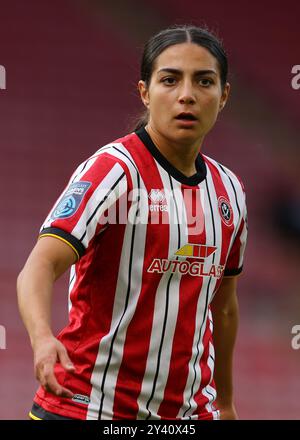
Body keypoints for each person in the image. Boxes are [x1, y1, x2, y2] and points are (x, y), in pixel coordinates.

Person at [17, 25, 248, 421]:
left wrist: (224, 402)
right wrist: (41, 339)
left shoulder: (230, 190)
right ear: (145, 92)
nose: (187, 95)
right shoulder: (114, 171)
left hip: (187, 417)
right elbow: (38, 266)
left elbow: (223, 308)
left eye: (204, 81)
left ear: (223, 96)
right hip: (86, 407)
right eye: (170, 80)